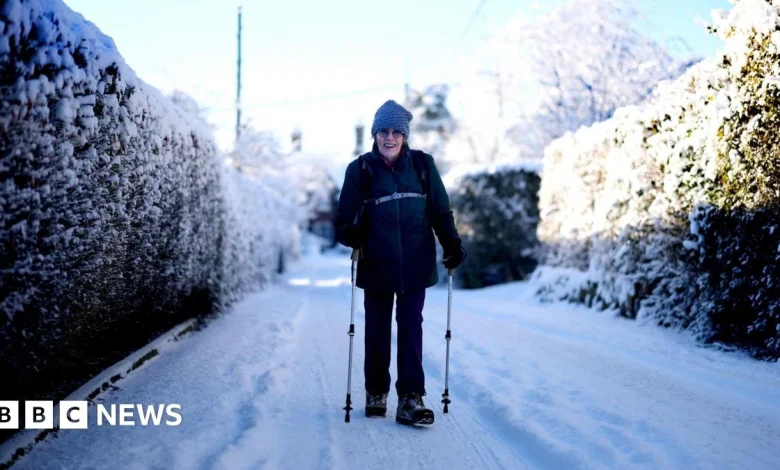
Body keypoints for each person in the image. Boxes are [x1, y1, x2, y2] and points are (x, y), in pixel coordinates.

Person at [334, 99, 466, 425]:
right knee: (377, 332)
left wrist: (451, 244)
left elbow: (439, 210)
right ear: (375, 134)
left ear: (405, 136)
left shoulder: (422, 166)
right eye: (383, 131)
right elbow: (342, 221)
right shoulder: (360, 169)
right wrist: (352, 233)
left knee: (411, 328)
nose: (388, 138)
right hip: (376, 264)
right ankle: (376, 392)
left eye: (395, 131)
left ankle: (411, 398)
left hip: (416, 264)